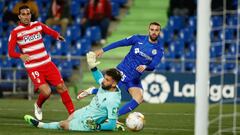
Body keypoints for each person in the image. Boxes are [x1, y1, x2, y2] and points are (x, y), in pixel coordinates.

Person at [24, 52, 124, 131]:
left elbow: (110, 124)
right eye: (105, 78)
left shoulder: (113, 101)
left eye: (107, 80)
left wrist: (97, 126)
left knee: (63, 125)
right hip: (86, 110)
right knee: (69, 118)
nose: (103, 81)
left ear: (114, 83)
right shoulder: (107, 85)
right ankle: (117, 127)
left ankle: (40, 125)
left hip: (90, 122)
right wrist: (92, 67)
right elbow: (99, 77)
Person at [8, 5, 74, 120]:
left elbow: (48, 30)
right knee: (47, 92)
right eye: (23, 14)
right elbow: (10, 52)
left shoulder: (37, 25)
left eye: (28, 14)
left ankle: (72, 114)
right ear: (19, 16)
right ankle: (38, 105)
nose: (26, 16)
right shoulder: (15, 32)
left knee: (62, 87)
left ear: (30, 15)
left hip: (47, 63)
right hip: (33, 67)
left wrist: (57, 36)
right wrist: (20, 55)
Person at [92, 22, 164, 116]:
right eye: (152, 29)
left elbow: (153, 65)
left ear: (159, 32)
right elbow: (120, 43)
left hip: (133, 79)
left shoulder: (159, 50)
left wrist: (146, 66)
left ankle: (115, 116)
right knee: (107, 93)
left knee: (139, 98)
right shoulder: (137, 38)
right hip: (121, 73)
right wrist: (103, 50)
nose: (154, 32)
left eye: (156, 30)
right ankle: (92, 91)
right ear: (149, 30)